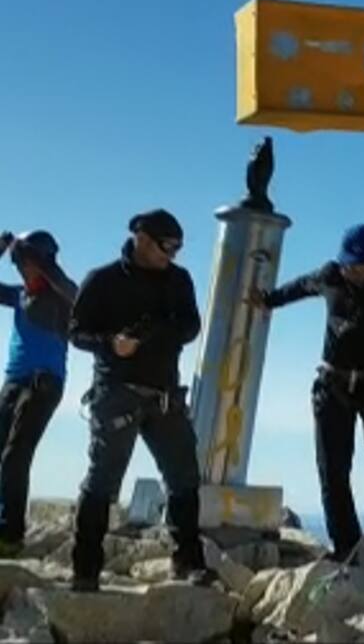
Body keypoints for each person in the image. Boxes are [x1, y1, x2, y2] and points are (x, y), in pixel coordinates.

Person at [248, 223, 364, 561]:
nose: (352, 272)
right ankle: (346, 548)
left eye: (359, 266)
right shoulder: (331, 276)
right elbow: (300, 287)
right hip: (332, 385)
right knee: (332, 469)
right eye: (347, 264)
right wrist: (270, 301)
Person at [68, 209, 210, 591]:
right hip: (116, 393)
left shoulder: (179, 280)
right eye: (167, 247)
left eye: (178, 248)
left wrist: (163, 332)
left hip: (165, 395)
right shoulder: (103, 280)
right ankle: (85, 572)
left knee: (184, 476)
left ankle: (188, 563)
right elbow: (76, 333)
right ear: (142, 239)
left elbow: (192, 325)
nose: (173, 255)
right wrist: (112, 343)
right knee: (102, 481)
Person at [0, 229, 77, 557]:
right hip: (14, 382)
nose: (22, 269)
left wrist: (39, 260)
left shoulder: (60, 299)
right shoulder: (19, 295)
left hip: (45, 384)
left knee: (16, 454)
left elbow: (75, 293)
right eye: (19, 263)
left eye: (27, 263)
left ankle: (10, 533)